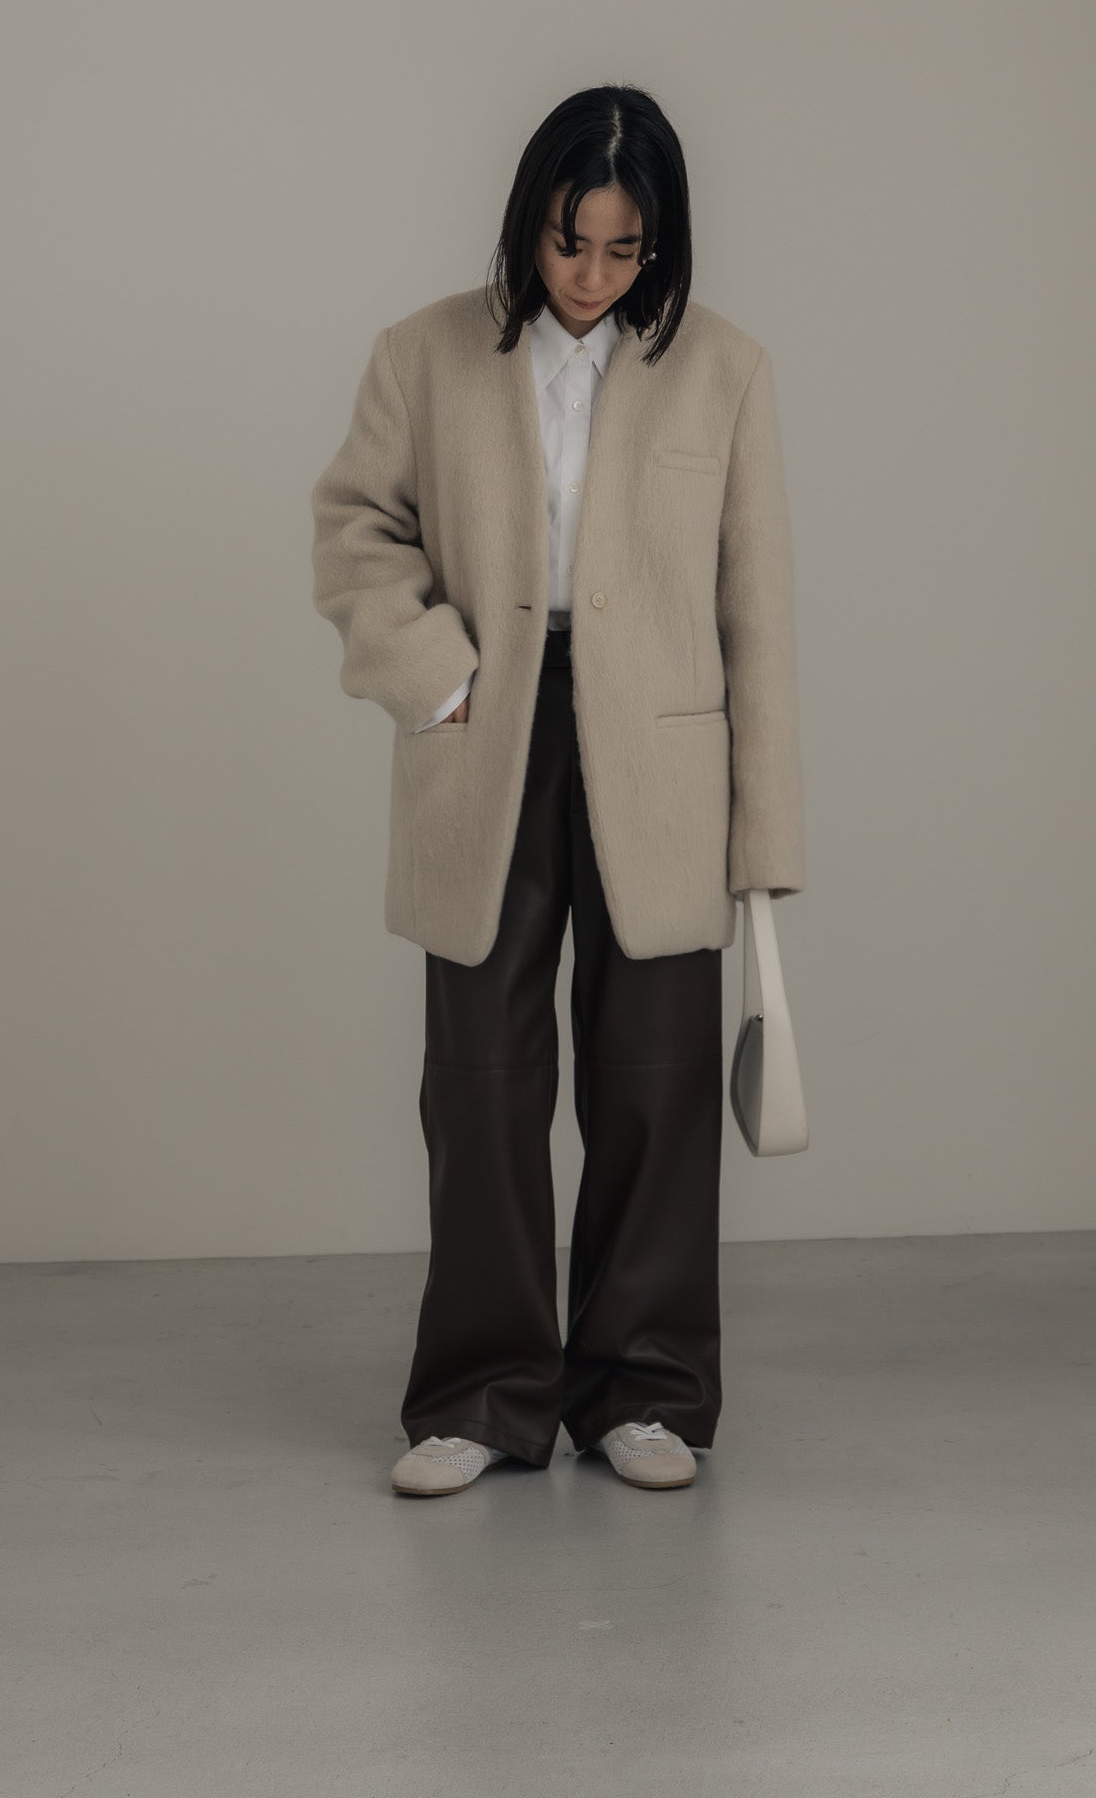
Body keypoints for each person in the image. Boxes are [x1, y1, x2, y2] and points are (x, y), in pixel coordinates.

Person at [311, 84, 805, 1496]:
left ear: (661, 244)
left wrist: (764, 836)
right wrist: (438, 680)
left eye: (623, 249)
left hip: (662, 760)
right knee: (480, 1080)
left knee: (655, 1085)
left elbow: (756, 609)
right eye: (567, 241)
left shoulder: (725, 369)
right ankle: (478, 1395)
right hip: (488, 736)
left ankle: (643, 1392)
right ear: (527, 221)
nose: (590, 275)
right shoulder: (423, 355)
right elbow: (355, 530)